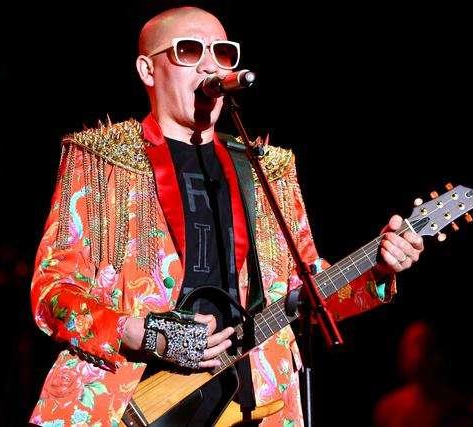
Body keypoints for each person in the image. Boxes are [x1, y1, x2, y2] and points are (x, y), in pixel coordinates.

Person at [29, 6, 424, 427]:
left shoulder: (265, 170)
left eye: (221, 53)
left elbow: (306, 292)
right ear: (148, 70)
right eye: (189, 50)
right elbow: (52, 291)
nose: (209, 65)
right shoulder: (100, 162)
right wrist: (140, 332)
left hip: (254, 405)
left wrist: (378, 269)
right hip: (130, 404)